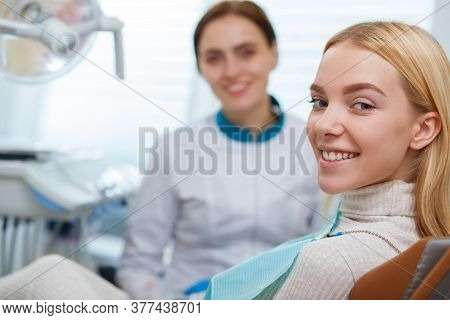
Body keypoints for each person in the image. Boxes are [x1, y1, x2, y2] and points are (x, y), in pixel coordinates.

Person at [205, 21, 449, 299]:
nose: (324, 125)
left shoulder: (330, 264)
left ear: (424, 129)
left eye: (362, 105)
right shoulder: (420, 240)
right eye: (319, 102)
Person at [116, 1, 322, 299]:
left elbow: (324, 255)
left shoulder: (315, 143)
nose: (231, 71)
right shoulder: (176, 148)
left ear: (273, 53)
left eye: (246, 52)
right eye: (214, 58)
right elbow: (138, 265)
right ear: (200, 67)